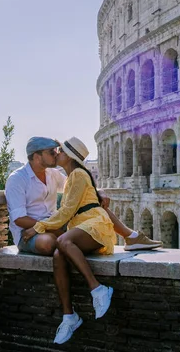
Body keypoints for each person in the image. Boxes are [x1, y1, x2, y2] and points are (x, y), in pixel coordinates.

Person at [21, 137, 116, 344]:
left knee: (63, 242)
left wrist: (38, 227)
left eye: (60, 151)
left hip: (95, 225)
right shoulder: (71, 176)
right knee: (58, 255)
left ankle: (98, 289)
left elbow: (65, 213)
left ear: (69, 156)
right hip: (82, 228)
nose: (56, 154)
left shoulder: (79, 174)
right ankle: (69, 316)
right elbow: (68, 212)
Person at [5, 136, 162, 255]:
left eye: (57, 151)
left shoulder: (52, 174)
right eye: (51, 152)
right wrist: (46, 226)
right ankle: (129, 237)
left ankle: (131, 236)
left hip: (54, 225)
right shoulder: (17, 179)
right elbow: (19, 219)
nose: (56, 154)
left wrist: (98, 191)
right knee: (49, 243)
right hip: (29, 233)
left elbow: (80, 186)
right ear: (37, 156)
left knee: (94, 205)